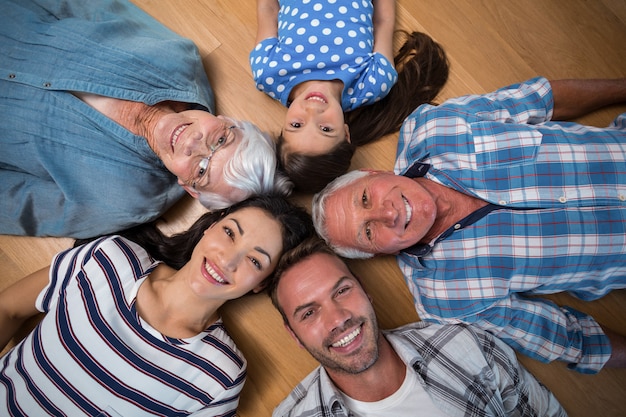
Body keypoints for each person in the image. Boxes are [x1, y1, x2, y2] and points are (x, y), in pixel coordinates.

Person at [311, 76, 626, 374]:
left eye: (365, 198)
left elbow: (540, 100)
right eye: (368, 232)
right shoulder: (445, 297)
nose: (388, 214)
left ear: (372, 173)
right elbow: (572, 341)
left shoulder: (432, 128)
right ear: (379, 253)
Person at [0, 194, 314, 416]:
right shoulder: (109, 257)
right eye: (230, 232)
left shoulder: (220, 377)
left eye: (255, 261)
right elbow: (8, 308)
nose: (227, 259)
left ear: (260, 284)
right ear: (210, 227)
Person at [0, 0, 291, 239]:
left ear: (188, 187)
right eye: (220, 139)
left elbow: (17, 203)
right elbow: (88, 5)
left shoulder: (123, 202)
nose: (193, 143)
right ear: (228, 120)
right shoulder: (176, 57)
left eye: (202, 170)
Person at [268, 236, 566, 416]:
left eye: (342, 291)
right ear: (293, 335)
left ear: (366, 292)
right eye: (309, 313)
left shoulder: (465, 346)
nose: (338, 319)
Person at [250, 0, 449, 192]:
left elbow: (267, 8)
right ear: (346, 134)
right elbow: (383, 21)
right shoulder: (373, 82)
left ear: (283, 128)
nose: (313, 111)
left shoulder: (269, 73)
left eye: (296, 125)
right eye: (325, 128)